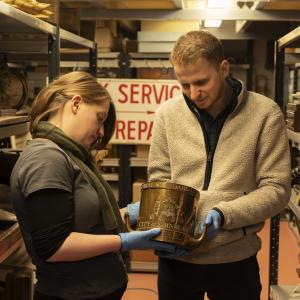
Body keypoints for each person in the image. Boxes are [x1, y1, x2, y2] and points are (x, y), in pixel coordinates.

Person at [10, 71, 178, 300]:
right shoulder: (46, 159)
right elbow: (54, 247)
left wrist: (132, 212)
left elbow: (85, 223)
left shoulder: (70, 156)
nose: (101, 131)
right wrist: (124, 241)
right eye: (100, 118)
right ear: (76, 104)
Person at [148, 30, 291, 300]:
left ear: (223, 68)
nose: (193, 93)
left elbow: (277, 189)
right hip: (177, 260)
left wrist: (225, 214)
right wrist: (163, 225)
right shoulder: (167, 114)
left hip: (235, 260)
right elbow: (160, 177)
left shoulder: (265, 114)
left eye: (201, 82)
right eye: (184, 85)